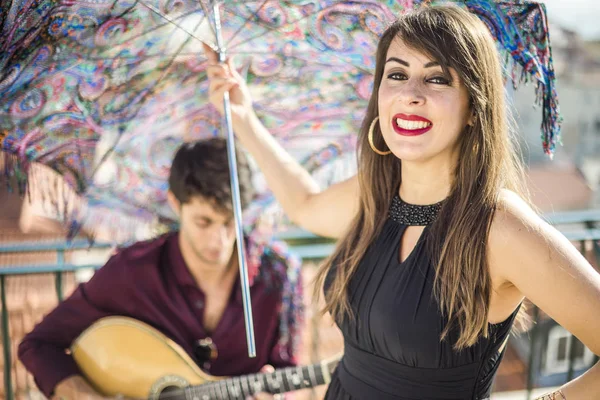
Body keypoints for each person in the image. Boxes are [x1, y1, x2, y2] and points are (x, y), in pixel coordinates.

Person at [204, 5, 600, 400]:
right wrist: (243, 118)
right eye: (397, 75)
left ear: (474, 109)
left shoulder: (500, 228)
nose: (411, 94)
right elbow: (305, 204)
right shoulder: (375, 194)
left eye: (437, 79)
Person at [18, 138, 304, 400]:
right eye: (203, 222)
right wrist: (83, 395)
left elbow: (286, 371)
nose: (220, 240)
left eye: (230, 222)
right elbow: (39, 345)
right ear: (175, 204)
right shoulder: (132, 271)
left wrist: (276, 396)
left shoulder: (280, 274)